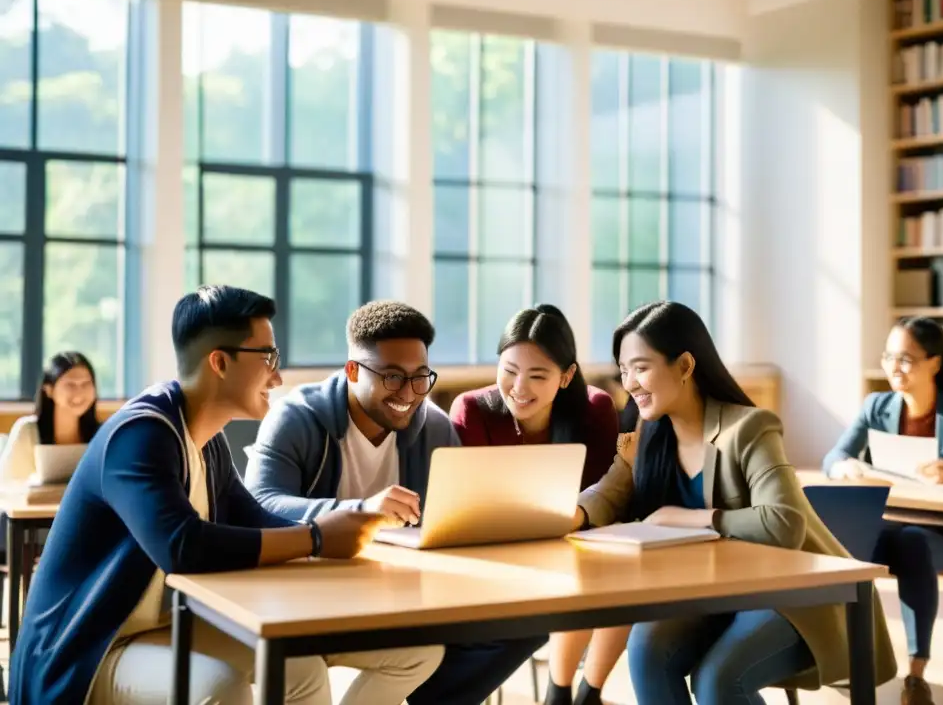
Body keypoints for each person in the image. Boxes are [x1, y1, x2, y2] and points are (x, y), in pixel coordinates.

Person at [9, 286, 443, 705]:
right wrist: (315, 537)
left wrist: (350, 523)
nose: (277, 375)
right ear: (219, 362)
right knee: (220, 686)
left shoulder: (208, 439)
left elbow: (255, 519)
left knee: (308, 667)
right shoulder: (140, 433)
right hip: (92, 650)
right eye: (268, 357)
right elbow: (182, 546)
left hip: (168, 626)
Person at [574, 301, 896, 705]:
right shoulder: (648, 434)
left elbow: (784, 523)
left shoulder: (750, 427)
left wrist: (696, 518)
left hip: (795, 597)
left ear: (686, 366)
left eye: (640, 367)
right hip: (716, 595)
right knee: (646, 649)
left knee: (718, 681)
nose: (630, 383)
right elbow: (609, 493)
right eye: (623, 371)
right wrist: (568, 513)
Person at [245, 299, 544, 705]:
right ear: (352, 370)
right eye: (391, 377)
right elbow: (260, 505)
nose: (409, 393)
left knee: (524, 625)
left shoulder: (434, 427)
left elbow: (453, 518)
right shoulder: (296, 418)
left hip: (401, 594)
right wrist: (358, 511)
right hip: (308, 593)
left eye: (421, 378)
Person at [822, 315, 943, 705]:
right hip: (886, 530)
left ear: (934, 363)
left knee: (912, 544)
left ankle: (915, 674)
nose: (894, 367)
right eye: (889, 356)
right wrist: (847, 467)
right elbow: (835, 455)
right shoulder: (876, 406)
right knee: (839, 538)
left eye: (906, 359)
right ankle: (844, 659)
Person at [449, 304, 620, 705]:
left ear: (567, 376)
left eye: (537, 375)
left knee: (616, 583)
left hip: (574, 558)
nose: (518, 387)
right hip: (493, 561)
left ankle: (579, 692)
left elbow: (604, 501)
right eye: (508, 370)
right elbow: (468, 506)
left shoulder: (595, 411)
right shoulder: (471, 410)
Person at [0, 351, 101, 483]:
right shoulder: (28, 430)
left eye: (86, 384)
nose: (79, 392)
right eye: (70, 385)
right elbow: (8, 486)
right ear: (49, 390)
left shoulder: (103, 433)